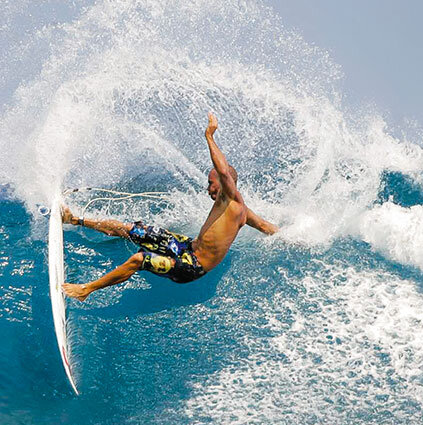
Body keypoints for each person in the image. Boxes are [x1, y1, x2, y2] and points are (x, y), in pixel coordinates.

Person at [62, 113, 278, 301]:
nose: (207, 188)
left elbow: (222, 171)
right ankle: (75, 219)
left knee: (139, 259)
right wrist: (295, 235)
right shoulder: (243, 212)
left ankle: (85, 290)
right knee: (133, 229)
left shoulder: (230, 199)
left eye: (211, 184)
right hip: (186, 247)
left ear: (224, 184)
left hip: (192, 267)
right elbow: (266, 227)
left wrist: (209, 136)